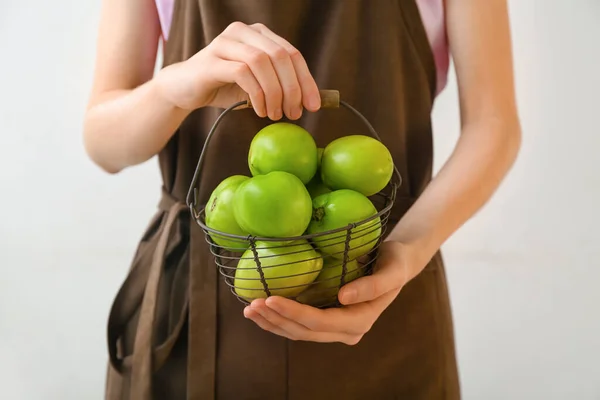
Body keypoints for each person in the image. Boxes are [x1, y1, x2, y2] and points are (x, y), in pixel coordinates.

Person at [84, 0, 521, 398]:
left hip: (382, 285)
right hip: (195, 315)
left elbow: (493, 126)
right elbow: (104, 144)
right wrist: (170, 89)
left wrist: (407, 250)